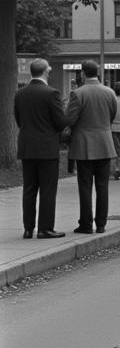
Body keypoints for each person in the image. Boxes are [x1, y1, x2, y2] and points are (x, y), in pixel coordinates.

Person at [13, 57, 67, 239]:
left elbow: (19, 119)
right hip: (47, 148)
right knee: (47, 189)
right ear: (46, 71)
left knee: (29, 189)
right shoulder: (52, 93)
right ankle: (45, 228)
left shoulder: (20, 93)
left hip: (27, 147)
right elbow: (60, 123)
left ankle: (28, 228)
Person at [65, 60, 117, 234]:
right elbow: (111, 115)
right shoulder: (109, 92)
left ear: (82, 73)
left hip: (84, 144)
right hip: (104, 142)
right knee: (103, 186)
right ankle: (101, 223)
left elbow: (70, 119)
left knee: (85, 186)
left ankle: (86, 224)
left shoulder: (78, 93)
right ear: (97, 73)